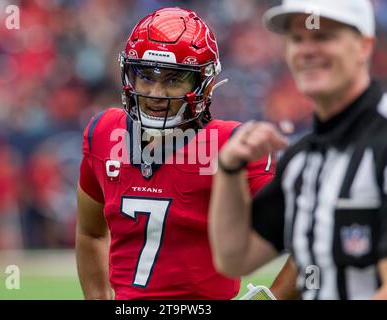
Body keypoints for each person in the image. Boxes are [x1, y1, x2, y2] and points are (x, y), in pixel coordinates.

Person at [75, 7, 275, 300]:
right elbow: (90, 233)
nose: (156, 93)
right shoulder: (104, 132)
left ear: (204, 84)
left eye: (173, 80)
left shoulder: (230, 145)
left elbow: (310, 235)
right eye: (146, 77)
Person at [209, 0, 387, 300]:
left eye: (323, 37)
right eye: (297, 39)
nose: (306, 50)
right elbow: (234, 257)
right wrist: (229, 169)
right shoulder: (303, 159)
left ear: (364, 46)